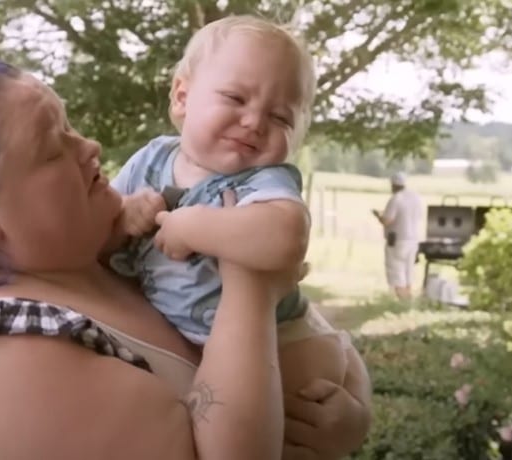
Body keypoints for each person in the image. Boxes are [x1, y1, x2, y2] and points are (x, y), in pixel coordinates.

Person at [0, 59, 370, 460]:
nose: (89, 146)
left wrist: (344, 416)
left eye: (71, 126)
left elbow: (298, 332)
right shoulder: (2, 351)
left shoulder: (108, 261)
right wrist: (250, 284)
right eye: (54, 147)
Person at [108, 15, 347, 397]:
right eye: (236, 98)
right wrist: (123, 214)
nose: (254, 122)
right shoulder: (150, 159)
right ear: (182, 96)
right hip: (183, 345)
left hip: (279, 341)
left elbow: (286, 237)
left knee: (309, 405)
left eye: (280, 116)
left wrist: (195, 226)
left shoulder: (263, 179)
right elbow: (99, 228)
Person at [372, 172, 423, 299]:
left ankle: (402, 301)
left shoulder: (396, 199)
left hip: (397, 241)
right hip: (413, 241)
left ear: (393, 185)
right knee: (408, 272)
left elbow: (387, 220)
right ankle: (408, 300)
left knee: (397, 272)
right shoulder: (416, 198)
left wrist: (378, 215)